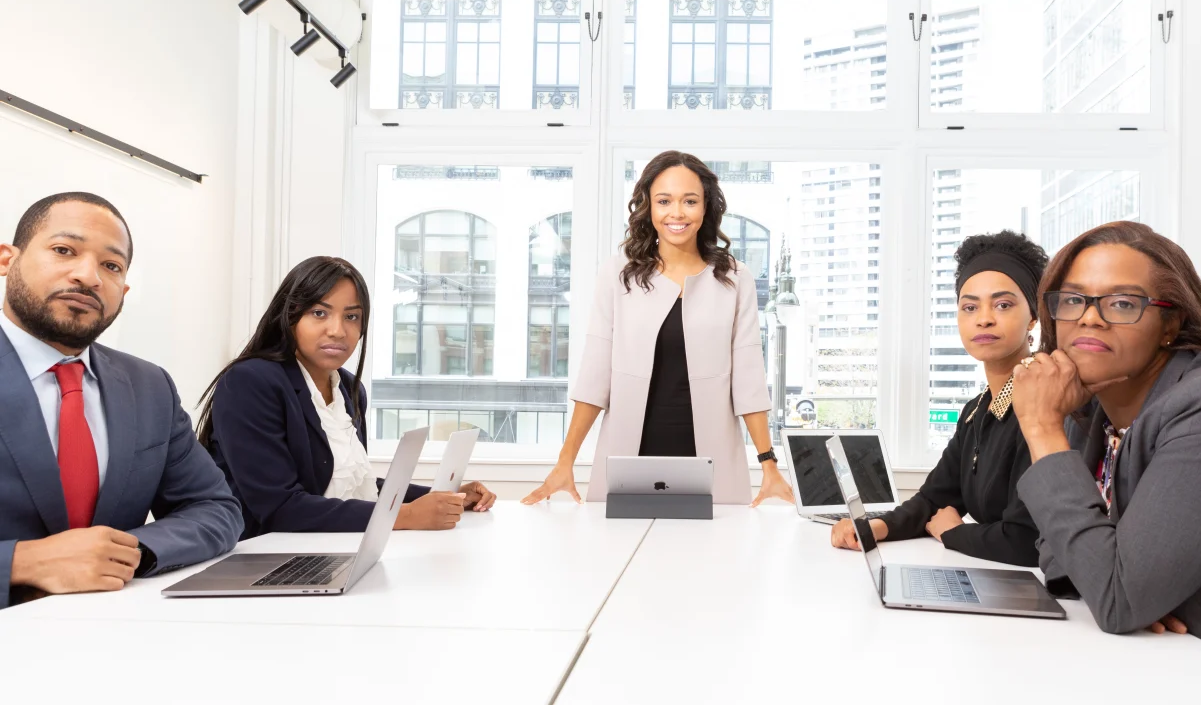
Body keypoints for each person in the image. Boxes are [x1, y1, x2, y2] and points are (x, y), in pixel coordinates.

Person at [1011, 221, 1201, 668]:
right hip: (1159, 662)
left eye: (1121, 303)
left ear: (1170, 322)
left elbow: (1116, 599)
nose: (1089, 317)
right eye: (1073, 299)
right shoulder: (1092, 405)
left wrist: (1042, 428)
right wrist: (1121, 582)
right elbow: (1058, 559)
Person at [0, 193, 242, 609]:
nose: (88, 276)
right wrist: (19, 562)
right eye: (64, 250)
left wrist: (127, 553)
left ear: (124, 289)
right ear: (7, 260)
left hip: (119, 632)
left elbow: (215, 508)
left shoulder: (149, 386)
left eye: (111, 266)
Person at [523, 151, 795, 506]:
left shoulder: (734, 277)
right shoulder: (618, 274)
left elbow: (748, 378)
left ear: (706, 207)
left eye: (690, 201)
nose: (677, 213)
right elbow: (595, 375)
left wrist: (769, 464)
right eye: (664, 201)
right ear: (648, 207)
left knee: (717, 559)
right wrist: (565, 462)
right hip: (630, 459)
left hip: (710, 461)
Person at [197, 257, 495, 540]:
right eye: (319, 313)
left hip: (325, 547)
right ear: (289, 318)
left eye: (351, 317)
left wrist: (442, 497)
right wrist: (404, 515)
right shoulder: (251, 382)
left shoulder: (349, 389)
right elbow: (280, 509)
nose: (338, 330)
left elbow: (349, 487)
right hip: (260, 557)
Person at [831, 231, 1050, 566]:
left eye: (1003, 304)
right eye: (969, 306)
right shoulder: (976, 411)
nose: (984, 317)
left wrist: (953, 533)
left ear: (1034, 316)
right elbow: (937, 498)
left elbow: (1027, 539)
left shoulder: (1042, 404)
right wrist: (875, 527)